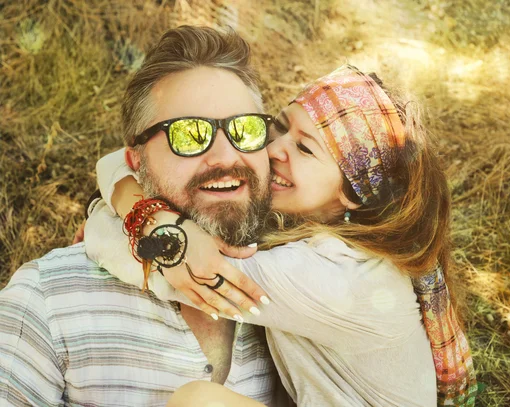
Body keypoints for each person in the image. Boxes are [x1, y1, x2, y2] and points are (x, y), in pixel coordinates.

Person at [85, 63, 478, 406]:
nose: (275, 151)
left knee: (199, 401)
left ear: (353, 193)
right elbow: (116, 160)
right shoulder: (314, 234)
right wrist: (147, 212)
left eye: (304, 149)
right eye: (280, 128)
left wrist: (130, 215)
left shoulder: (337, 275)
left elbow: (168, 269)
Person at [0, 26, 287, 406]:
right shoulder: (47, 299)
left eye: (245, 129)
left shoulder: (312, 278)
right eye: (188, 135)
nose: (225, 157)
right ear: (135, 161)